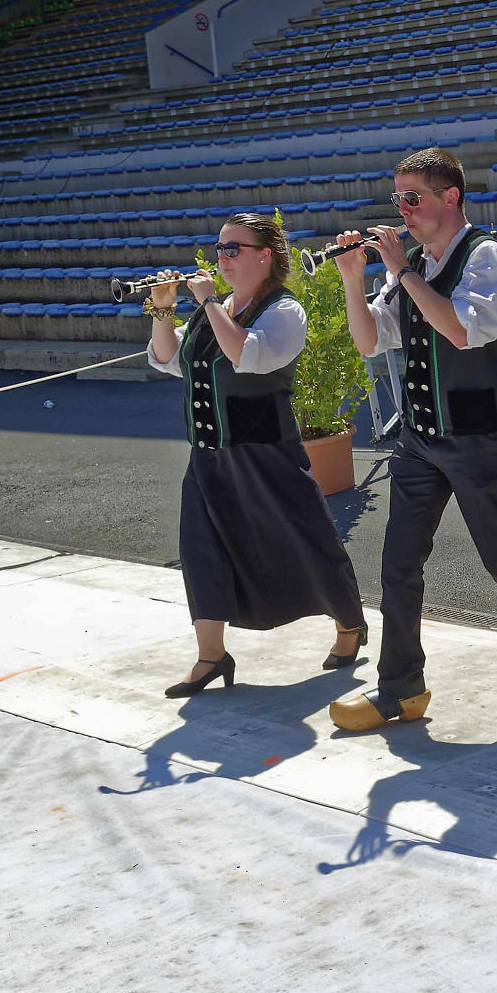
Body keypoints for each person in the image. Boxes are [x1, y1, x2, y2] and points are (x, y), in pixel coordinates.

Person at [328, 148, 497, 730]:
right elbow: (370, 342)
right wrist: (353, 279)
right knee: (398, 563)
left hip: (477, 434)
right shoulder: (409, 267)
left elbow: (464, 330)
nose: (403, 211)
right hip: (421, 438)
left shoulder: (484, 255)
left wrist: (402, 272)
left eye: (413, 198)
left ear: (450, 197)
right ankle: (400, 688)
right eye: (399, 199)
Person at [147, 214, 366, 697]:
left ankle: (350, 621)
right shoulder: (220, 306)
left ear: (264, 255)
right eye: (220, 248)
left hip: (266, 451)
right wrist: (164, 310)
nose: (222, 258)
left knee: (302, 537)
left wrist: (205, 302)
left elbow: (247, 354)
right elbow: (170, 360)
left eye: (233, 249)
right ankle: (211, 655)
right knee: (201, 547)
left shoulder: (284, 310)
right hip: (209, 452)